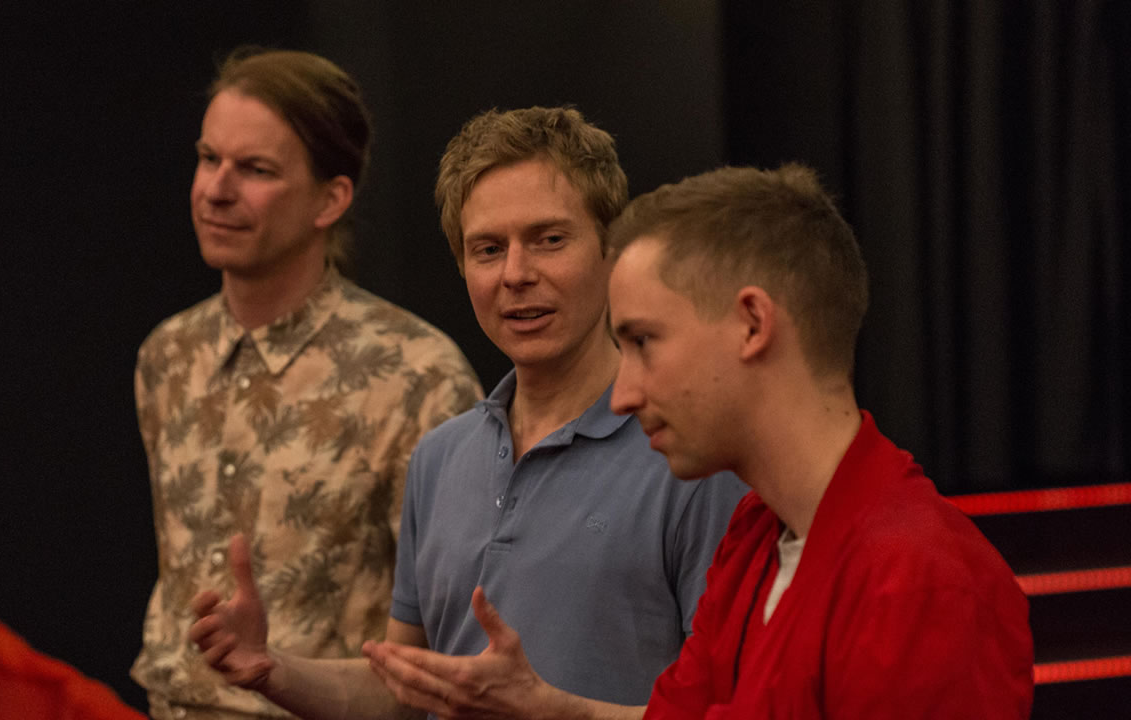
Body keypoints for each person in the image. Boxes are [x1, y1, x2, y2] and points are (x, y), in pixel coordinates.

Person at [189, 106, 748, 720]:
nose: (515, 274)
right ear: (461, 266)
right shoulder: (440, 457)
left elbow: (732, 709)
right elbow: (404, 691)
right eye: (488, 249)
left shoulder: (690, 456)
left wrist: (550, 709)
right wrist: (272, 670)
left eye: (549, 240)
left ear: (613, 251)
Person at [606, 163, 1034, 718]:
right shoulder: (756, 532)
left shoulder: (919, 583)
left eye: (643, 341)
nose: (622, 394)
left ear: (753, 324)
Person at [130, 47, 483, 720]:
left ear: (332, 198)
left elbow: (446, 644)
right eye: (209, 159)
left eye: (256, 170)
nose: (217, 190)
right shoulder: (168, 356)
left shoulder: (416, 375)